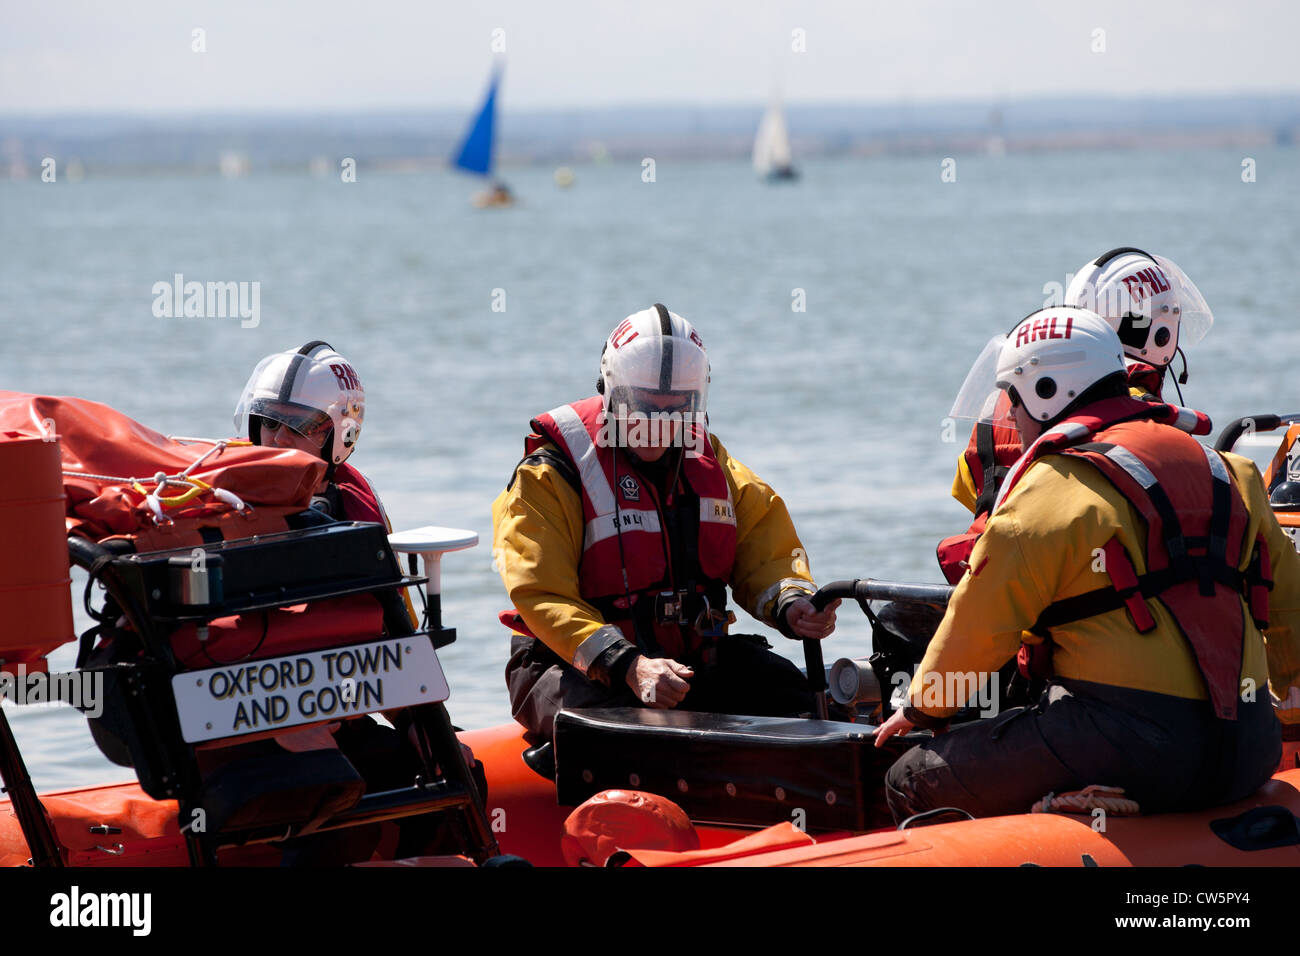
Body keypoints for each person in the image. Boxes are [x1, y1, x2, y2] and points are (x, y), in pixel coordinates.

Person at [876, 307, 1300, 822]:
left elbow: (979, 624)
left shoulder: (1051, 488)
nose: (1010, 415)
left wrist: (922, 708)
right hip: (1251, 749)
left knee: (911, 777)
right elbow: (1290, 610)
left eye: (1013, 399)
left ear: (1047, 391)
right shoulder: (1230, 470)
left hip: (1134, 749)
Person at [493, 304, 839, 742]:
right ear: (613, 392)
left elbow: (764, 546)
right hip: (571, 667)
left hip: (686, 663)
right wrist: (628, 666)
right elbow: (540, 593)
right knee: (633, 738)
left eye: (675, 410)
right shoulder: (551, 473)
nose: (657, 424)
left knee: (798, 700)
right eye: (644, 408)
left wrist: (794, 604)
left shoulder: (709, 460)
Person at [234, 340, 483, 858]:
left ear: (339, 435)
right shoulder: (225, 507)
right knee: (326, 798)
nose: (279, 439)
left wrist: (418, 724)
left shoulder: (355, 503)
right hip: (254, 723)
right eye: (269, 421)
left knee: (456, 768)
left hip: (337, 712)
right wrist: (285, 721)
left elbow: (396, 633)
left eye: (301, 426)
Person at [941, 250, 1214, 582]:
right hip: (1092, 590)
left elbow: (969, 485)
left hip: (991, 574)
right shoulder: (1140, 412)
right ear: (1161, 332)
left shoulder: (1008, 398)